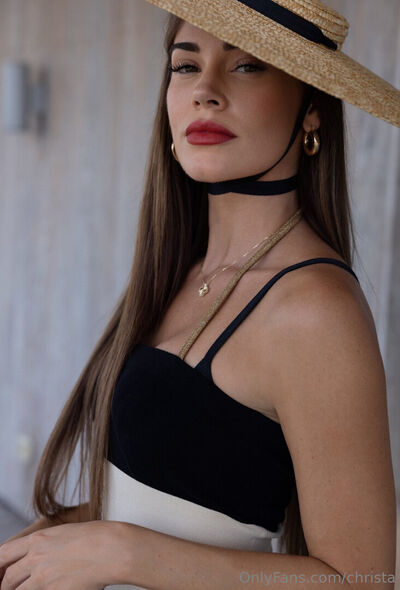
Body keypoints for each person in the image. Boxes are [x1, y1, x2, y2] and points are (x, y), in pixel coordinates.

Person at [0, 1, 399, 589]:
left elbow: (362, 581)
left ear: (312, 109)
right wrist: (55, 541)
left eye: (247, 66)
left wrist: (124, 553)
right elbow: (174, 497)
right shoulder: (181, 271)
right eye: (186, 66)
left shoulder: (316, 309)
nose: (205, 92)